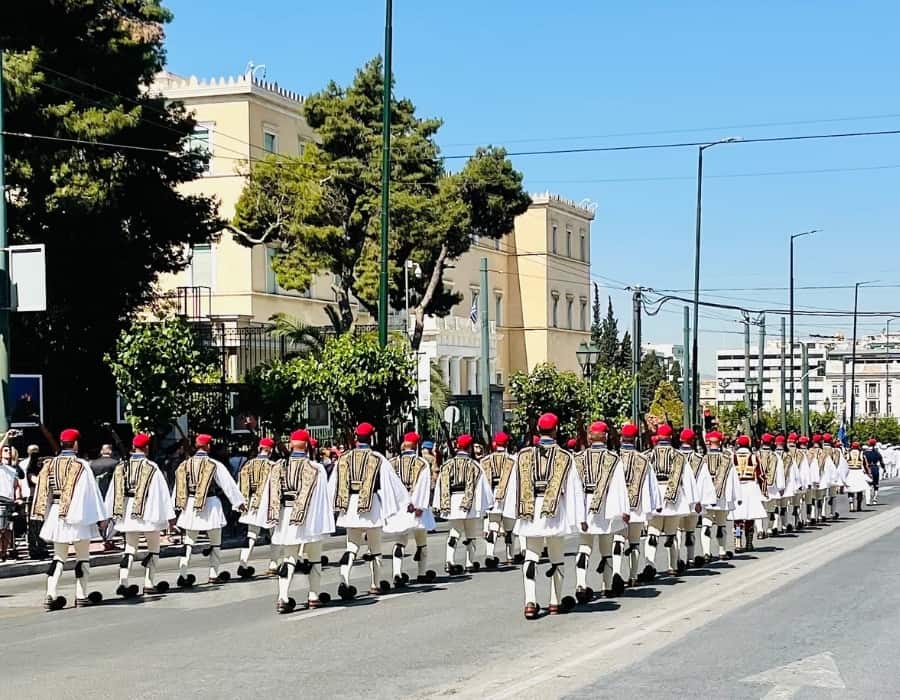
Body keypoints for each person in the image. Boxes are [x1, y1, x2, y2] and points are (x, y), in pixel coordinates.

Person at [501, 412, 585, 619]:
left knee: (531, 556)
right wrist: (579, 518)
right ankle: (555, 601)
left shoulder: (522, 455)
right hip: (554, 513)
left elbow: (514, 486)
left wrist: (512, 513)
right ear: (556, 430)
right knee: (557, 557)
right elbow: (574, 489)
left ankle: (530, 601)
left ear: (538, 430)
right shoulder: (566, 457)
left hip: (529, 511)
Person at [255, 429, 334, 613]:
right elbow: (322, 498)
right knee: (314, 558)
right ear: (307, 446)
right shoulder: (316, 468)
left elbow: (269, 494)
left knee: (289, 557)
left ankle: (282, 597)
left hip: (285, 516)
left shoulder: (278, 466)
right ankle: (313, 596)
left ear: (291, 444)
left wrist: (270, 518)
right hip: (309, 517)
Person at [327, 422, 408, 599]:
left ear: (356, 437)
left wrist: (334, 505)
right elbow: (391, 484)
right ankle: (375, 584)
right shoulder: (377, 458)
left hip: (349, 507)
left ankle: (345, 580)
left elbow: (332, 484)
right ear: (370, 437)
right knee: (375, 547)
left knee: (351, 547)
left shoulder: (344, 458)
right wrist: (404, 502)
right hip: (371, 506)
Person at [30, 428, 107, 610]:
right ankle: (81, 595)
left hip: (57, 513)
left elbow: (43, 492)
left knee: (59, 557)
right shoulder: (80, 465)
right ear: (76, 444)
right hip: (77, 515)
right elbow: (92, 493)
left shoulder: (50, 464)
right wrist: (100, 517)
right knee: (82, 557)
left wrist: (43, 514)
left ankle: (50, 593)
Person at [104, 433, 176, 597]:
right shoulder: (151, 467)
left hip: (128, 513)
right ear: (147, 447)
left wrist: (108, 514)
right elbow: (162, 493)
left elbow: (112, 492)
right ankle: (149, 583)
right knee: (153, 549)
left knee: (129, 549)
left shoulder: (121, 467)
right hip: (148, 513)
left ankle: (123, 581)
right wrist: (169, 516)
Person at [173, 434, 246, 588]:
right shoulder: (214, 464)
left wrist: (175, 507)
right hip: (210, 504)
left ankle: (183, 574)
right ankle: (213, 573)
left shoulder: (184, 464)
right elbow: (228, 485)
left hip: (190, 505)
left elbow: (178, 488)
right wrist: (238, 502)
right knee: (215, 542)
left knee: (188, 542)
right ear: (208, 446)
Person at [573, 421, 630, 603]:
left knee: (584, 547)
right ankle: (607, 585)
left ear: (590, 437)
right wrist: (623, 510)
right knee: (606, 548)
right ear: (606, 437)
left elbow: (573, 487)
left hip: (584, 505)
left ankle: (581, 583)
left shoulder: (578, 458)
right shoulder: (613, 459)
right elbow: (619, 486)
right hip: (605, 506)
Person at [644, 424, 701, 579]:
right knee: (672, 533)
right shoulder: (679, 456)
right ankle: (673, 566)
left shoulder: (648, 455)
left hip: (655, 495)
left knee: (653, 532)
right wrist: (694, 500)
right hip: (674, 496)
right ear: (671, 437)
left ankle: (650, 565)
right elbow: (687, 479)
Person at [432, 434, 492, 576]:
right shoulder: (475, 465)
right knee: (470, 534)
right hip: (469, 503)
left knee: (454, 532)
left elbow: (440, 486)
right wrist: (486, 504)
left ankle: (449, 560)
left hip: (452, 502)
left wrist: (438, 504)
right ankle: (469, 563)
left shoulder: (447, 465)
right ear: (470, 447)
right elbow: (482, 486)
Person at [384, 432, 436, 585]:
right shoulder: (422, 463)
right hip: (415, 506)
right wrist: (419, 506)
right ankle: (421, 573)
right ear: (416, 445)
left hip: (399, 506)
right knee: (422, 541)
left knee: (400, 541)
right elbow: (423, 487)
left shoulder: (392, 463)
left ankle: (397, 573)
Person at [616, 423, 659, 587]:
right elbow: (650, 486)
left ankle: (616, 574)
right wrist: (651, 507)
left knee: (618, 541)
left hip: (619, 508)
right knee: (634, 542)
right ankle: (633, 576)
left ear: (621, 438)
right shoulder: (644, 460)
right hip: (637, 507)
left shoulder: (614, 457)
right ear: (635, 439)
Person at [236, 437, 280, 579]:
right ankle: (273, 564)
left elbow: (241, 485)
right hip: (267, 503)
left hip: (252, 502)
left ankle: (243, 564)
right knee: (274, 534)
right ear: (271, 451)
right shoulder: (273, 465)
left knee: (251, 534)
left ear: (259, 448)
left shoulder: (248, 465)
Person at [481, 431, 520, 567]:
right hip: (508, 496)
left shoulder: (485, 460)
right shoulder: (513, 460)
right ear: (507, 443)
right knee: (509, 529)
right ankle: (510, 555)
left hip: (492, 495)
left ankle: (490, 554)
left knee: (493, 527)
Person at [698, 431, 739, 561]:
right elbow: (733, 479)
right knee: (721, 525)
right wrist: (736, 497)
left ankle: (706, 552)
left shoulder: (702, 459)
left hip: (705, 496)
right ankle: (722, 551)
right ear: (720, 443)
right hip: (722, 497)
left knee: (706, 524)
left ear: (708, 443)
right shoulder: (727, 460)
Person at [731, 436, 768, 551]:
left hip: (737, 488)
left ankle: (737, 541)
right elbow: (761, 475)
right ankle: (749, 542)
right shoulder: (753, 457)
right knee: (749, 516)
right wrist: (764, 491)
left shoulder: (733, 457)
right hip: (751, 487)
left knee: (737, 519)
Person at [0, 432, 23, 561]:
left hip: (10, 501)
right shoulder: (1, 466)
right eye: (5, 450)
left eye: (9, 450)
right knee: (0, 528)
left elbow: (16, 486)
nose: (8, 452)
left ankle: (4, 552)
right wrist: (6, 437)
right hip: (1, 499)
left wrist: (18, 498)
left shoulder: (13, 469)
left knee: (8, 529)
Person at [757, 433, 786, 536]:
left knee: (758, 508)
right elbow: (780, 472)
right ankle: (769, 529)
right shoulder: (776, 456)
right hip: (772, 486)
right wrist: (781, 486)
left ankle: (760, 530)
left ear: (761, 442)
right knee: (771, 509)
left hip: (758, 486)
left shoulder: (756, 455)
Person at [775, 435, 801, 532]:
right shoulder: (788, 456)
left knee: (774, 506)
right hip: (786, 484)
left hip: (774, 484)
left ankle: (773, 526)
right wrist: (797, 484)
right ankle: (784, 525)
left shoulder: (772, 455)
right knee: (783, 505)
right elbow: (794, 472)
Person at [844, 441, 870, 511]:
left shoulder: (847, 453)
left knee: (850, 490)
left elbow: (844, 463)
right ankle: (859, 506)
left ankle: (851, 505)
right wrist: (868, 473)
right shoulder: (862, 453)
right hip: (858, 472)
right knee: (860, 490)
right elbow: (865, 464)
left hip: (850, 471)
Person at [864, 438, 885, 505]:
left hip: (868, 468)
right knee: (876, 484)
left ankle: (868, 499)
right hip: (875, 468)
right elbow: (881, 462)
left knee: (868, 484)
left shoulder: (865, 453)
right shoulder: (877, 453)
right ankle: (875, 498)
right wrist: (884, 468)